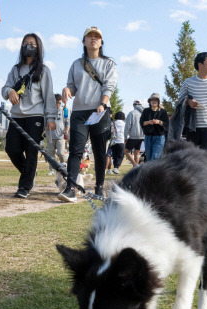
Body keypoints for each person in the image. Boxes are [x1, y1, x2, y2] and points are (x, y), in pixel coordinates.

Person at [59, 26, 117, 202]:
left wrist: (102, 103)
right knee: (76, 151)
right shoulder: (76, 64)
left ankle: (99, 187)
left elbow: (110, 85)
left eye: (97, 37)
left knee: (99, 152)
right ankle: (70, 188)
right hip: (79, 113)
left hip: (100, 112)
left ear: (101, 42)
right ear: (83, 42)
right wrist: (66, 89)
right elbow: (72, 86)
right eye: (89, 36)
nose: (93, 39)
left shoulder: (109, 63)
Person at [2, 33, 56, 199]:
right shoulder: (15, 69)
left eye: (32, 44)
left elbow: (48, 95)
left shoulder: (44, 71)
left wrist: (51, 117)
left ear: (38, 47)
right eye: (25, 43)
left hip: (35, 116)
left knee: (31, 151)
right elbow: (5, 88)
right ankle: (29, 172)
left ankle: (24, 187)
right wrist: (10, 91)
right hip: (17, 116)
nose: (28, 46)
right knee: (11, 149)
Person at [177, 52, 207, 154]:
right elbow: (179, 101)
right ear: (200, 64)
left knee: (206, 156)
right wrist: (189, 102)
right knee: (192, 156)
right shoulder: (188, 82)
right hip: (192, 126)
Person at [140, 93, 169, 162]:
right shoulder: (146, 111)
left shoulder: (163, 112)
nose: (154, 101)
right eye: (152, 100)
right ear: (149, 101)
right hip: (148, 137)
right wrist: (148, 122)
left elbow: (167, 124)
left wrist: (158, 122)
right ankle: (151, 172)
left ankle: (155, 171)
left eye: (156, 100)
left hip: (159, 137)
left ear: (158, 101)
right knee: (149, 157)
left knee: (155, 156)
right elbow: (141, 122)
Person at [46, 94, 70, 175]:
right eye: (56, 103)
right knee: (51, 155)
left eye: (59, 103)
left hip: (60, 136)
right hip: (50, 136)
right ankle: (51, 170)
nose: (58, 105)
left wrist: (66, 130)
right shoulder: (48, 110)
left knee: (61, 153)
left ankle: (63, 168)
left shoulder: (64, 110)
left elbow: (67, 123)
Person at [124, 99, 144, 167]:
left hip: (134, 135)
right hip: (142, 136)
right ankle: (135, 168)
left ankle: (135, 165)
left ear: (133, 105)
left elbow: (127, 126)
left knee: (126, 151)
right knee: (137, 152)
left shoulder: (132, 113)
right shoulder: (144, 113)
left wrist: (125, 136)